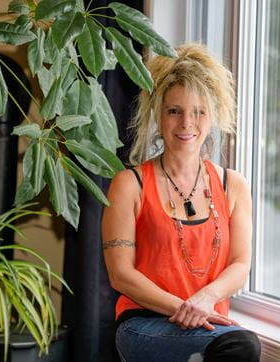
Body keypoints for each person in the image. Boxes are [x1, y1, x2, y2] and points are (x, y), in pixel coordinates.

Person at [102, 43, 261, 362]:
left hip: (207, 325)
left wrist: (205, 300)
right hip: (144, 324)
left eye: (198, 111)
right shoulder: (129, 185)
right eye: (174, 111)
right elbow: (120, 274)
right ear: (157, 116)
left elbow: (240, 265)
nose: (187, 123)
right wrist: (184, 308)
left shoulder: (234, 186)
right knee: (241, 348)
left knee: (237, 346)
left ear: (213, 115)